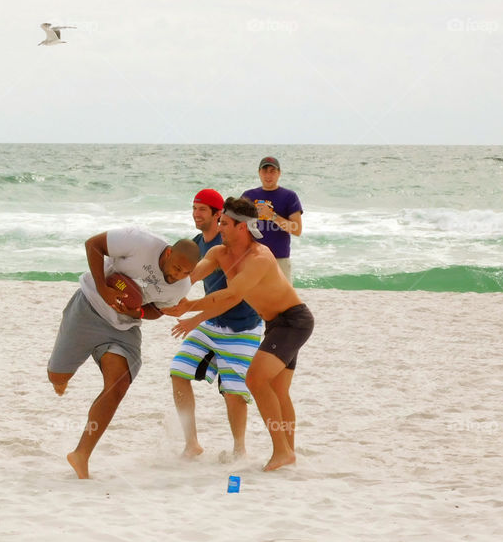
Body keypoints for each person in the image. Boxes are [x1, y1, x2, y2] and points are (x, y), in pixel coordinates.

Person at [167, 197, 313, 471]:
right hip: (274, 325)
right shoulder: (218, 253)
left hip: (294, 322)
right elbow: (192, 276)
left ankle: (283, 451)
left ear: (242, 228)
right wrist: (165, 288)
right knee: (279, 391)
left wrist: (190, 308)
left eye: (224, 223)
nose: (219, 228)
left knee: (257, 380)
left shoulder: (260, 257)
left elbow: (232, 295)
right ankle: (288, 453)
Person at [47, 227, 200, 479]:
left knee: (118, 385)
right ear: (169, 253)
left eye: (186, 272)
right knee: (57, 377)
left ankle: (81, 454)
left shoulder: (180, 287)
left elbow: (156, 311)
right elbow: (92, 244)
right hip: (88, 307)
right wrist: (104, 289)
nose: (178, 276)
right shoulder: (140, 242)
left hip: (123, 327)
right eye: (176, 268)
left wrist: (136, 313)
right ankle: (61, 379)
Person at [169, 189, 263, 459]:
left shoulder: (237, 251)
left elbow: (230, 299)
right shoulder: (198, 244)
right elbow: (189, 278)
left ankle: (239, 450)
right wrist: (162, 298)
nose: (196, 214)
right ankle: (192, 444)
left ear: (218, 214)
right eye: (194, 207)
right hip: (211, 323)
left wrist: (192, 316)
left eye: (203, 209)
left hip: (242, 327)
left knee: (233, 392)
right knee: (179, 371)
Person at [241, 156, 303, 283]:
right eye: (264, 171)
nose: (268, 175)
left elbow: (297, 229)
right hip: (252, 258)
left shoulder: (290, 196)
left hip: (279, 259)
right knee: (251, 301)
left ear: (279, 173)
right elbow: (236, 225)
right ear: (259, 172)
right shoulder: (248, 196)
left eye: (272, 171)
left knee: (283, 301)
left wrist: (272, 216)